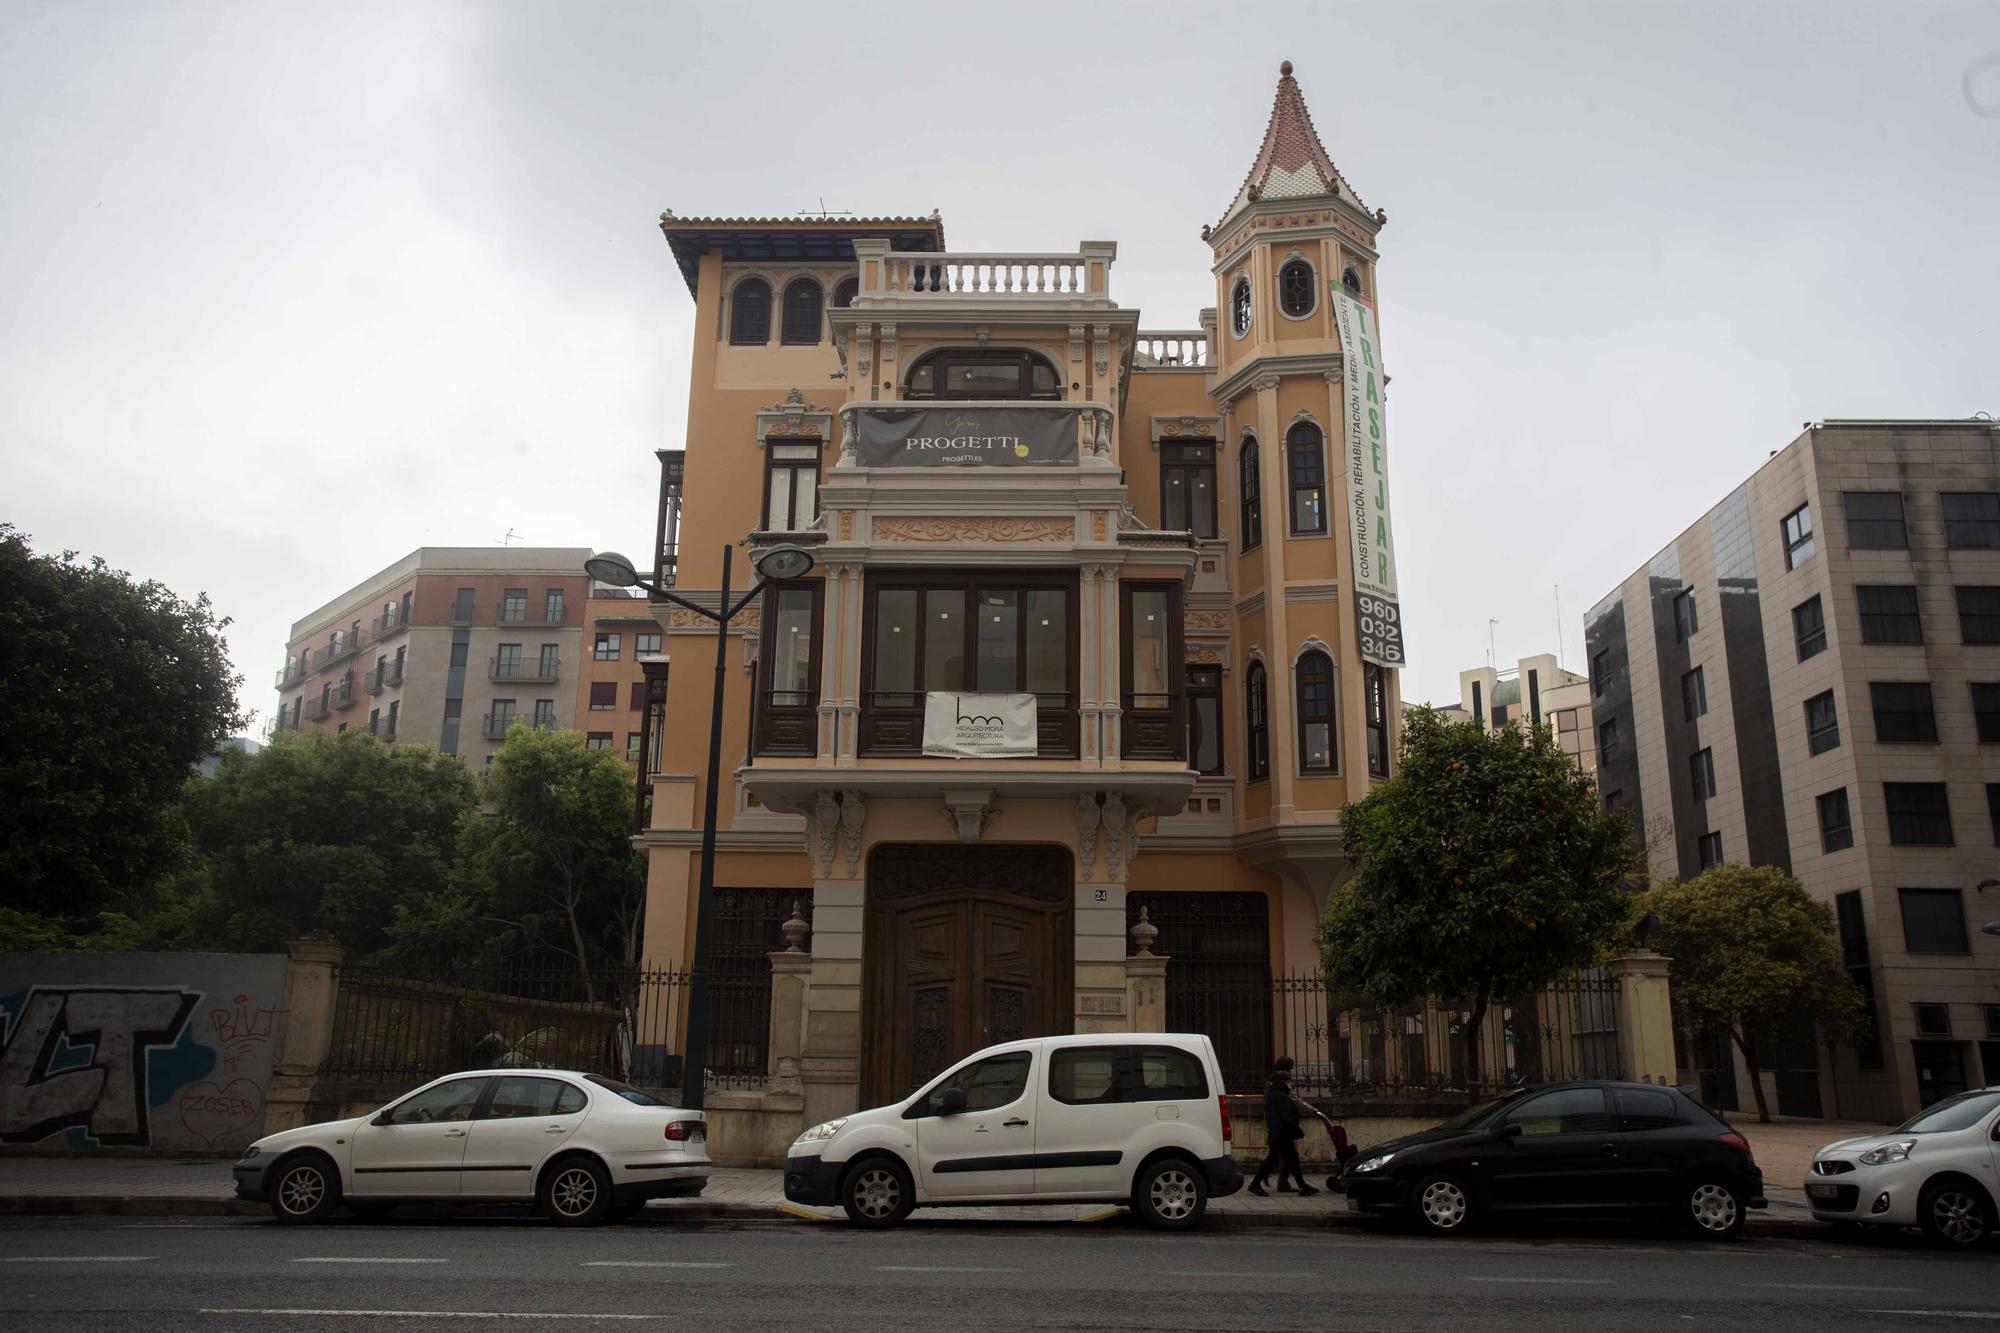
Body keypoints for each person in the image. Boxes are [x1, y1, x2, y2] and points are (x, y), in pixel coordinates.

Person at [1248, 1058, 1317, 1196]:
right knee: (1278, 1159)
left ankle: (1303, 1186)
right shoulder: (1282, 1095)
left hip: (1278, 1131)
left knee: (1287, 1158)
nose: (1290, 1083)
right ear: (1285, 1081)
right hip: (1282, 1133)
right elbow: (1287, 1115)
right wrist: (1296, 1128)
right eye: (1289, 1081)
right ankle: (1255, 1183)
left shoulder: (1273, 1091)